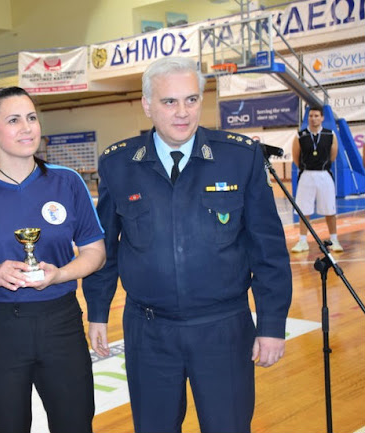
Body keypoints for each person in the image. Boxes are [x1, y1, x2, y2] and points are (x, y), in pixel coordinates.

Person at [82, 56, 292, 433]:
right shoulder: (119, 164)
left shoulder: (239, 157)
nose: (183, 112)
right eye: (170, 102)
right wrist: (97, 310)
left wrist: (272, 324)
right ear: (148, 105)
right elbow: (106, 247)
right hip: (149, 332)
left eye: (191, 100)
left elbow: (269, 251)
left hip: (223, 329)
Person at [0, 86, 106, 433]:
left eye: (31, 118)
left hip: (60, 321)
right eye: (14, 120)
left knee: (75, 424)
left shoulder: (67, 182)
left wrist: (60, 274)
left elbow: (95, 252)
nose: (27, 128)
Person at [290, 106, 342, 252]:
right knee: (303, 210)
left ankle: (334, 240)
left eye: (316, 116)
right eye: (311, 116)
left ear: (322, 118)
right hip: (306, 175)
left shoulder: (330, 134)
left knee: (330, 209)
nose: (313, 119)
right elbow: (296, 157)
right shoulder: (300, 135)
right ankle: (302, 241)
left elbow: (333, 155)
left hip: (324, 175)